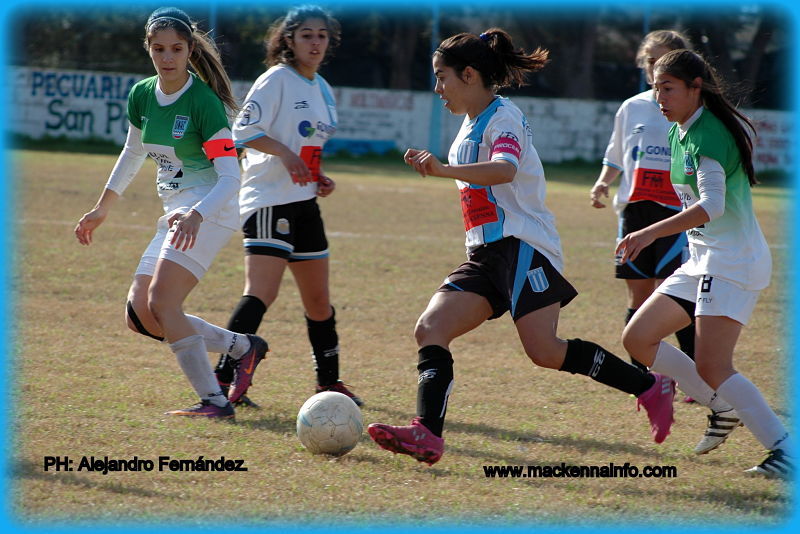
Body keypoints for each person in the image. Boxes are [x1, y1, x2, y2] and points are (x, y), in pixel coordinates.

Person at [367, 28, 677, 466]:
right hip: (485, 254)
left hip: (522, 246)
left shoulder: (504, 117)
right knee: (430, 328)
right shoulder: (471, 122)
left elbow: (504, 169)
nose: (437, 88)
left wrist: (442, 169)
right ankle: (427, 434)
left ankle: (649, 386)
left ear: (469, 74)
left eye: (441, 77)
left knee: (544, 351)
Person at [74, 7, 268, 419]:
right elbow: (133, 151)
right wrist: (102, 207)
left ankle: (214, 402)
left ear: (189, 50)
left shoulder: (203, 103)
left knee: (163, 301)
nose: (167, 58)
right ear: (148, 48)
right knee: (140, 315)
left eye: (176, 49)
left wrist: (197, 214)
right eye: (159, 49)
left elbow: (229, 177)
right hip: (178, 212)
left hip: (211, 209)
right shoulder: (142, 94)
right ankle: (242, 347)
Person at [618, 49, 792, 478]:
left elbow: (712, 206)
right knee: (638, 338)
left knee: (713, 365)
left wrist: (649, 232)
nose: (659, 97)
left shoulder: (706, 134)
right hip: (703, 260)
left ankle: (787, 451)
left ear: (696, 88)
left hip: (732, 262)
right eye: (655, 87)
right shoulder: (681, 130)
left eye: (668, 88)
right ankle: (723, 408)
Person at [214, 5, 362, 407]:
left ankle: (328, 383)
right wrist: (285, 154)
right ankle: (219, 383)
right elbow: (242, 132)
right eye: (307, 35)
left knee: (318, 301)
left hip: (304, 202)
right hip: (269, 201)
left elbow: (307, 144)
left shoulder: (323, 88)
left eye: (322, 36)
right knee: (262, 292)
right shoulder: (276, 79)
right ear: (289, 39)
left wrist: (318, 174)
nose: (315, 43)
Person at [589, 30, 696, 378]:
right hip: (635, 212)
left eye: (662, 61)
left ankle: (697, 373)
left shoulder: (692, 110)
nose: (654, 68)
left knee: (672, 294)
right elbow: (616, 153)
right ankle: (642, 379)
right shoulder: (631, 107)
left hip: (676, 214)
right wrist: (603, 182)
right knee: (638, 297)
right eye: (650, 61)